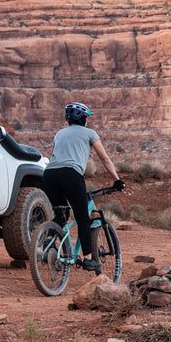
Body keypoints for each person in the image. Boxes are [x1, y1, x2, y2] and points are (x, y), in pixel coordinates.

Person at [43, 102, 125, 272]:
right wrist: (117, 179)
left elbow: (58, 155)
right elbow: (104, 159)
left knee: (61, 213)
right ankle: (88, 258)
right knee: (82, 218)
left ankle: (45, 243)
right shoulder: (90, 133)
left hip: (49, 175)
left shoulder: (59, 134)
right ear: (82, 118)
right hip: (71, 175)